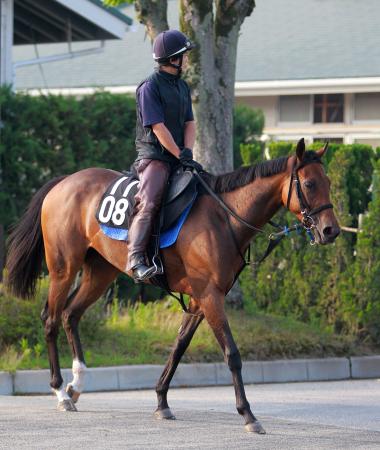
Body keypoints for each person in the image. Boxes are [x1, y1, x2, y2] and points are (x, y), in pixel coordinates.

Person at [127, 29, 202, 282]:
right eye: (184, 55)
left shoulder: (182, 86)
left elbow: (189, 123)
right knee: (149, 203)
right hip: (154, 158)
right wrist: (179, 153)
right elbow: (158, 128)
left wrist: (188, 151)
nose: (187, 59)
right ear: (173, 59)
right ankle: (136, 258)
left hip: (179, 156)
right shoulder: (149, 87)